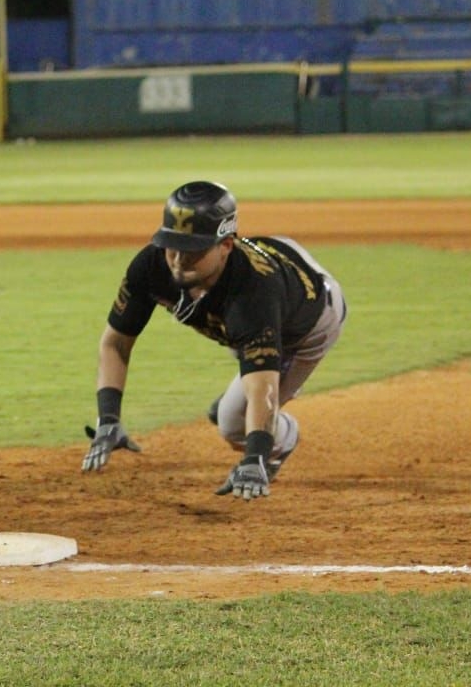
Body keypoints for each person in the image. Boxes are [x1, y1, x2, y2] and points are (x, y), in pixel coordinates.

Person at [80, 181, 347, 500]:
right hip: (278, 258)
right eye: (172, 244)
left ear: (226, 245)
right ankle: (236, 406)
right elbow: (116, 343)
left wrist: (256, 456)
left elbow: (263, 384)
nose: (179, 259)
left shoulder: (254, 297)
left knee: (233, 424)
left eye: (193, 250)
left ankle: (284, 441)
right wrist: (108, 417)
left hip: (306, 323)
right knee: (241, 386)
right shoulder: (151, 266)